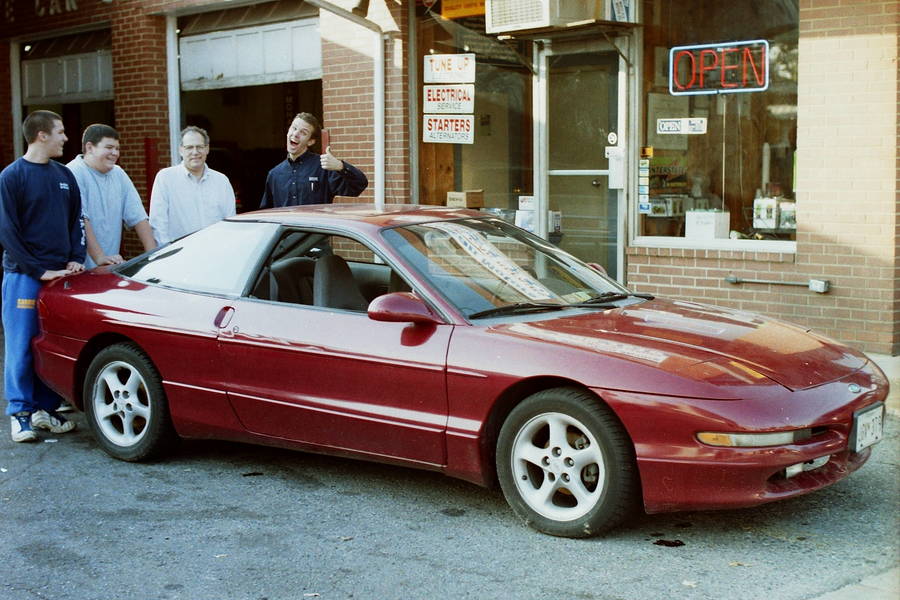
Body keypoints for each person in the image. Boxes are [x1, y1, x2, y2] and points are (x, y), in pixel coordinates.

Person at [0, 110, 84, 442]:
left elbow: (77, 220)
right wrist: (38, 270)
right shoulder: (12, 177)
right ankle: (20, 414)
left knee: (50, 345)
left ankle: (46, 409)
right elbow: (7, 232)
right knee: (20, 346)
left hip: (60, 276)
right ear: (41, 135)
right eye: (60, 132)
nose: (66, 138)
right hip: (24, 276)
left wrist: (76, 258)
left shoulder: (64, 175)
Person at [67, 124, 156, 268]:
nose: (115, 153)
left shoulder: (118, 173)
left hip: (108, 267)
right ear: (89, 148)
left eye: (117, 148)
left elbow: (139, 217)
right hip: (78, 269)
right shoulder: (73, 172)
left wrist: (154, 256)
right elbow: (81, 220)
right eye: (109, 147)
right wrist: (100, 257)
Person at [149, 126, 235, 245]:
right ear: (181, 150)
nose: (195, 152)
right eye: (189, 147)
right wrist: (166, 251)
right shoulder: (166, 178)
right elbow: (158, 223)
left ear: (207, 149)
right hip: (181, 252)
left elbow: (230, 221)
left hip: (216, 249)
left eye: (199, 147)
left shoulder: (221, 181)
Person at [260, 112, 368, 208]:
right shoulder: (274, 174)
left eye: (303, 132)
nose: (296, 134)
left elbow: (359, 185)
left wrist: (341, 166)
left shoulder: (323, 167)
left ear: (310, 141)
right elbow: (266, 212)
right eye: (294, 128)